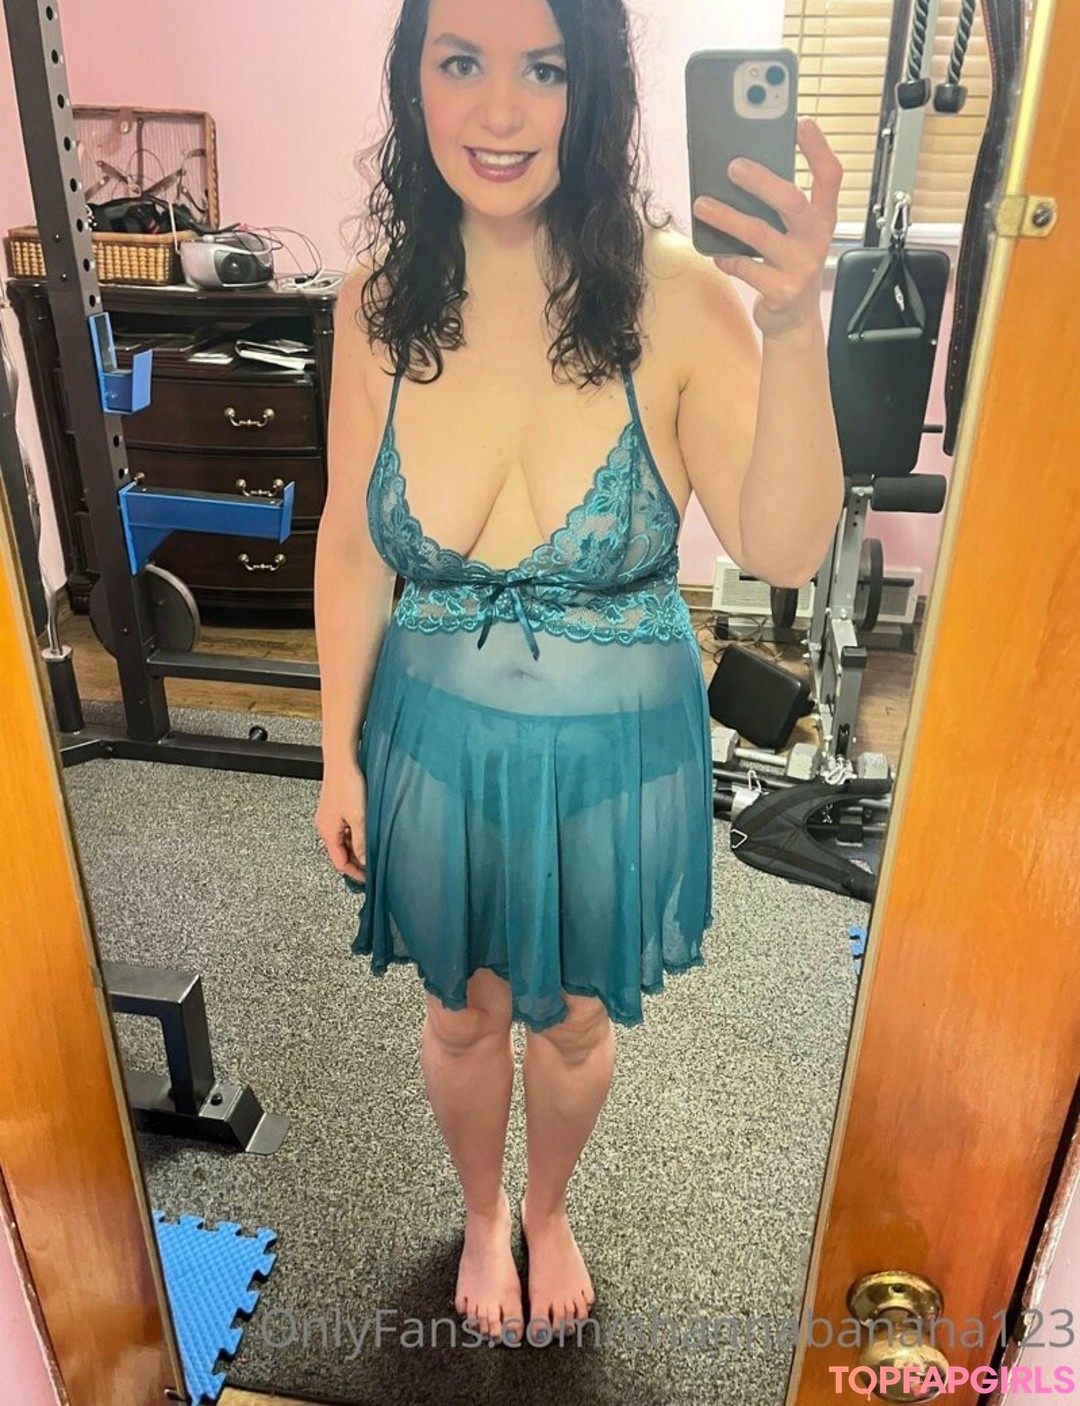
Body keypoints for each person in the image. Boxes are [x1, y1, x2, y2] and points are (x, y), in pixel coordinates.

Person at [314, 0, 843, 1352]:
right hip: (431, 739)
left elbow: (784, 546)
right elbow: (352, 542)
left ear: (592, 90)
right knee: (460, 1013)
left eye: (543, 69)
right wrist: (332, 752)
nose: (499, 112)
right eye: (462, 63)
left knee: (568, 1020)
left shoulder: (680, 297)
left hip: (614, 754)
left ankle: (549, 1209)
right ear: (414, 81)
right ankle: (481, 1209)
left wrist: (795, 328)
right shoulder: (374, 303)